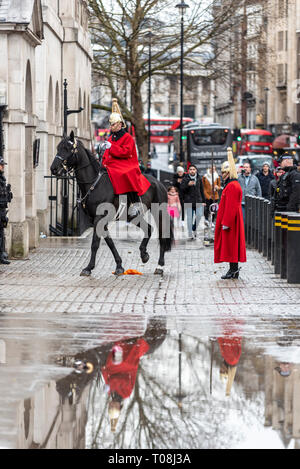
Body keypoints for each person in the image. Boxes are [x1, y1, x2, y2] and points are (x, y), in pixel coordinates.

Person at [101, 99, 151, 217]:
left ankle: (134, 203)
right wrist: (103, 153)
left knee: (124, 173)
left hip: (127, 162)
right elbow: (107, 154)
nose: (111, 127)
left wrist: (111, 147)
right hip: (113, 162)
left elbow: (126, 152)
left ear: (119, 124)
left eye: (113, 124)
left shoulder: (127, 137)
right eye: (111, 125)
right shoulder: (111, 138)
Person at [214, 148, 246, 279]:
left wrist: (226, 222)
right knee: (231, 246)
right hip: (231, 220)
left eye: (224, 173)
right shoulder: (231, 185)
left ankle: (233, 270)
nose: (222, 175)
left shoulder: (232, 186)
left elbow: (231, 207)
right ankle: (233, 269)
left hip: (231, 222)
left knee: (231, 246)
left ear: (228, 173)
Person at [181, 165, 205, 240]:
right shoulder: (185, 179)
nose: (192, 171)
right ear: (188, 171)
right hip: (189, 201)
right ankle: (190, 233)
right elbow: (181, 189)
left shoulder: (199, 178)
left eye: (193, 169)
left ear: (196, 170)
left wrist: (203, 201)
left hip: (198, 200)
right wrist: (187, 185)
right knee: (189, 218)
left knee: (199, 215)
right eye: (190, 169)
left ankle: (194, 228)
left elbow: (202, 190)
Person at [0, 157, 13, 265]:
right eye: (1, 165)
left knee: (1, 233)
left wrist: (8, 195)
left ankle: (1, 254)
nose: (3, 167)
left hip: (2, 210)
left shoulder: (2, 179)